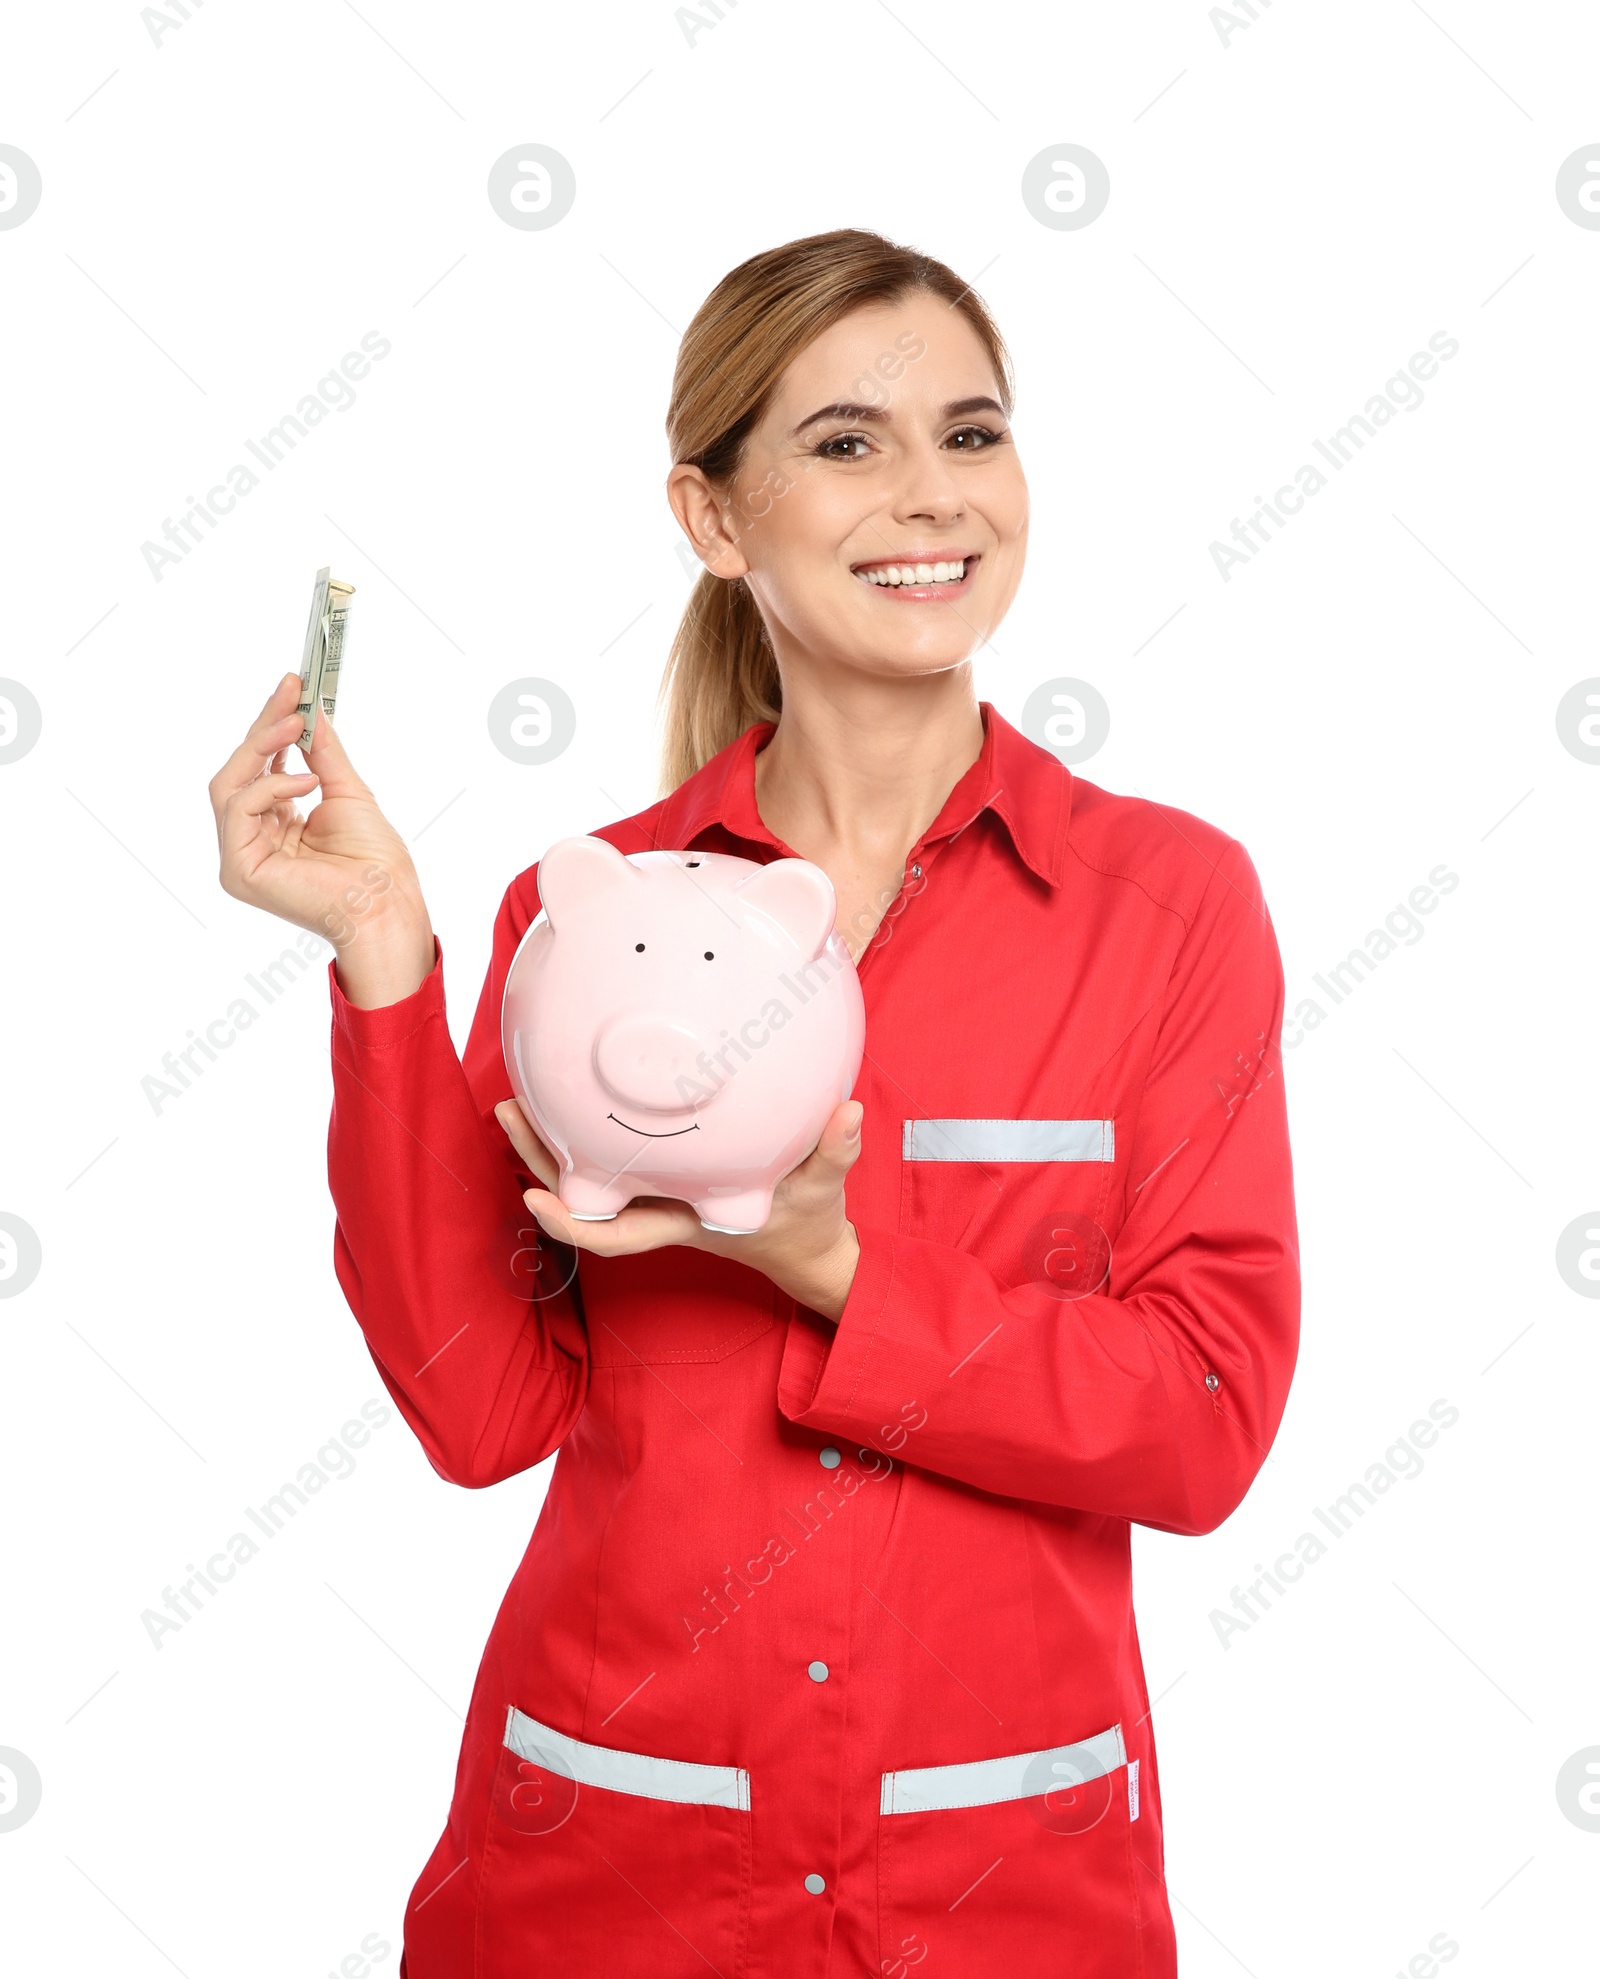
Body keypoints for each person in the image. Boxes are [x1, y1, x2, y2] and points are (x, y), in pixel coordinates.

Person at [208, 229, 1300, 1978]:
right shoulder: (597, 914)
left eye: (972, 430)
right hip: (605, 1874)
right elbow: (482, 1409)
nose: (928, 495)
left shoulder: (1164, 908)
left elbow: (1204, 1412)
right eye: (847, 443)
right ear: (713, 522)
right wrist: (385, 957)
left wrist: (841, 1271)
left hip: (1004, 1890)